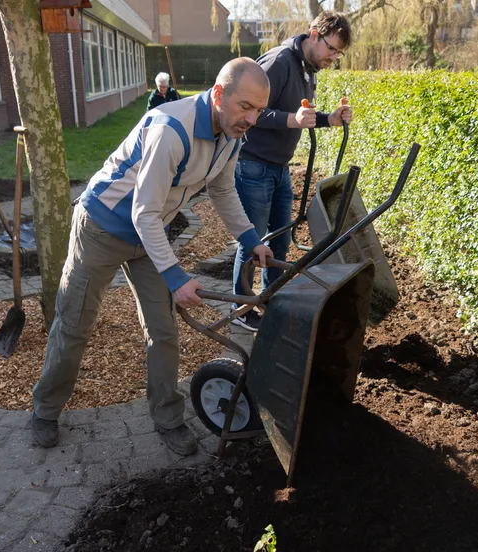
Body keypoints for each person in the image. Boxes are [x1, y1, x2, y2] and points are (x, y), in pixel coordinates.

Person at [31, 58, 273, 455]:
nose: (251, 118)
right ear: (217, 95)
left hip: (150, 235)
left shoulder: (232, 134)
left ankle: (168, 417)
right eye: (245, 106)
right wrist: (177, 278)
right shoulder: (171, 128)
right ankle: (44, 409)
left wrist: (250, 239)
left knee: (163, 332)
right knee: (74, 324)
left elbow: (223, 191)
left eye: (258, 110)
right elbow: (142, 211)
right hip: (102, 228)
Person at [230, 10, 353, 332]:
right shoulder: (281, 60)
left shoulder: (306, 68)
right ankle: (241, 308)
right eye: (332, 49)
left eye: (338, 53)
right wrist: (292, 120)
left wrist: (330, 119)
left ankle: (269, 299)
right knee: (252, 239)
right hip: (253, 163)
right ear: (315, 34)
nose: (333, 57)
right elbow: (249, 108)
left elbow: (301, 115)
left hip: (279, 168)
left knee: (281, 241)